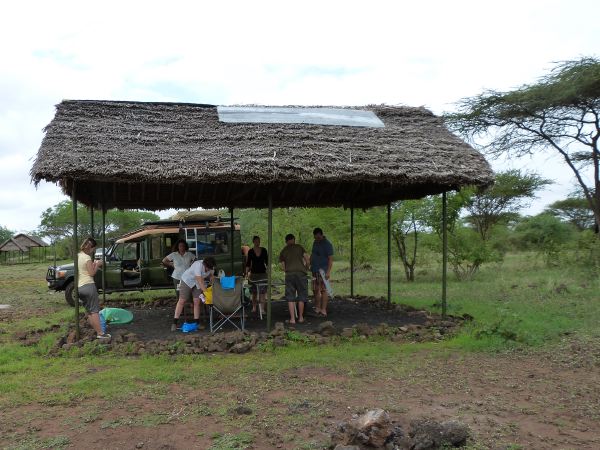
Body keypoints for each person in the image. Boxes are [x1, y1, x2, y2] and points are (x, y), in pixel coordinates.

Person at [77, 237, 110, 340]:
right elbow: (91, 273)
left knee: (89, 312)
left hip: (80, 287)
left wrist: (93, 264)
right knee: (95, 311)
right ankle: (101, 333)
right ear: (91, 247)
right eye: (93, 249)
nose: (93, 251)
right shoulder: (87, 258)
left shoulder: (78, 256)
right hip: (89, 286)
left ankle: (97, 331)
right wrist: (97, 264)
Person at [171, 256, 216, 331]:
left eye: (210, 268)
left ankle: (197, 323)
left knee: (197, 302)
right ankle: (174, 322)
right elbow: (200, 281)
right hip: (187, 281)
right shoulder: (198, 265)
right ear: (204, 264)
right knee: (182, 300)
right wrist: (206, 293)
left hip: (197, 284)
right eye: (207, 267)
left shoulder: (211, 268)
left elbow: (211, 277)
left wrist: (211, 282)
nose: (208, 269)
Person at [279, 233, 310, 325]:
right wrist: (307, 268)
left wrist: (286, 270)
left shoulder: (284, 250)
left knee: (290, 297)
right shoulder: (299, 247)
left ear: (286, 241)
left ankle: (292, 319)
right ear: (294, 239)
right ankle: (300, 318)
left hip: (290, 274)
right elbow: (307, 259)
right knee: (302, 295)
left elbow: (282, 265)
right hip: (301, 274)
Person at [310, 227, 334, 317]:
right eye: (315, 238)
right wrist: (309, 263)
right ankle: (317, 308)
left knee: (323, 290)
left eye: (318, 237)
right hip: (314, 269)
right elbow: (312, 254)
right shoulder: (315, 242)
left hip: (323, 270)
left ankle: (323, 310)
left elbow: (330, 259)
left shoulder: (327, 244)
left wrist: (328, 272)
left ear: (321, 235)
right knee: (315, 289)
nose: (317, 239)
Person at [245, 235, 268, 315]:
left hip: (263, 274)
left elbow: (267, 262)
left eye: (259, 241)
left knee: (262, 292)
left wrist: (269, 272)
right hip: (253, 274)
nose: (258, 242)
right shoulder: (250, 251)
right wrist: (246, 273)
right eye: (256, 241)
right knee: (254, 292)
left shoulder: (264, 250)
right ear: (253, 242)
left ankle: (262, 309)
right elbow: (248, 264)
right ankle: (254, 307)